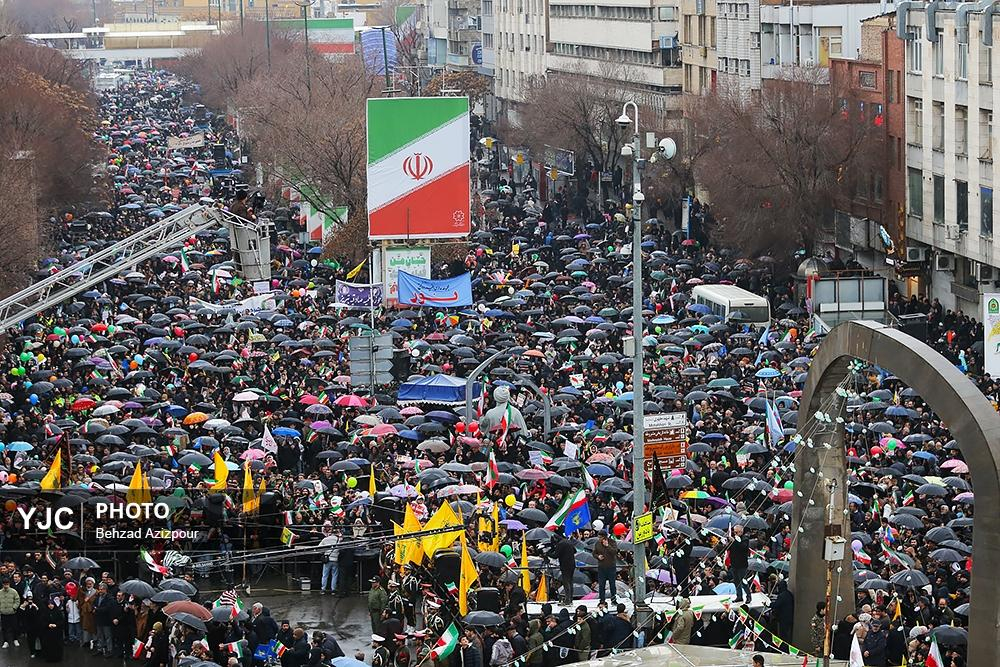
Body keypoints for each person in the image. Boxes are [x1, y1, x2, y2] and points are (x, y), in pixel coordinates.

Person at [548, 535, 576, 604]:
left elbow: (555, 556)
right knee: (570, 581)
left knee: (566, 582)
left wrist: (548, 553)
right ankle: (570, 599)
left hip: (565, 565)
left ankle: (567, 600)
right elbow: (574, 551)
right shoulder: (568, 542)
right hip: (572, 564)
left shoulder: (560, 544)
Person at [727, 524, 751, 603]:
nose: (735, 534)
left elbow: (743, 548)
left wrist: (734, 541)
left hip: (742, 564)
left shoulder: (745, 539)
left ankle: (748, 596)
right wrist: (728, 542)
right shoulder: (734, 538)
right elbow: (729, 549)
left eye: (736, 532)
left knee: (743, 581)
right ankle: (739, 596)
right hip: (734, 563)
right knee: (736, 581)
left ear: (741, 532)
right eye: (734, 532)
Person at [38, 594, 65, 663]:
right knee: (48, 645)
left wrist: (56, 625)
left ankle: (58, 657)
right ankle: (49, 658)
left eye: (52, 604)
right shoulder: (45, 612)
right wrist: (48, 625)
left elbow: (61, 621)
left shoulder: (58, 611)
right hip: (48, 633)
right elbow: (42, 621)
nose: (50, 606)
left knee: (57, 645)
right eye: (49, 604)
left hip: (57, 632)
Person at [592, 532, 618, 604]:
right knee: (601, 585)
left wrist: (607, 546)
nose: (599, 539)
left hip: (611, 567)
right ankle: (602, 600)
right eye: (598, 537)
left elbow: (614, 552)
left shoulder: (612, 542)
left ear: (605, 537)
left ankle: (613, 600)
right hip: (601, 567)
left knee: (612, 584)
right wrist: (598, 556)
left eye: (600, 537)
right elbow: (594, 553)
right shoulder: (597, 543)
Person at [0, 577, 19, 648]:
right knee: (4, 628)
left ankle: (15, 639)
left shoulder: (13, 591)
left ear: (9, 584)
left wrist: (14, 608)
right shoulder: (0, 592)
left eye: (7, 584)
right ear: (2, 584)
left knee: (14, 627)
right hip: (3, 613)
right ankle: (5, 641)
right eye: (4, 584)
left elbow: (17, 600)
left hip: (12, 613)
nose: (6, 586)